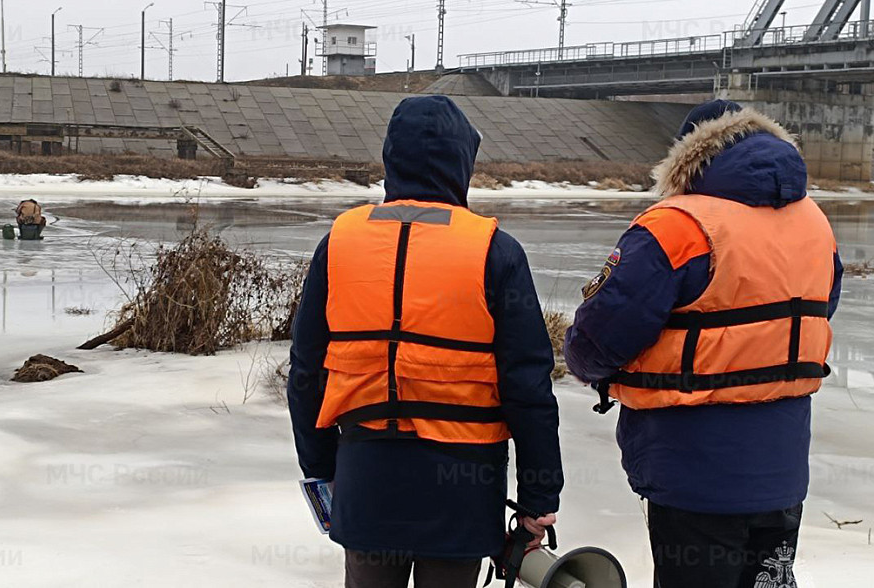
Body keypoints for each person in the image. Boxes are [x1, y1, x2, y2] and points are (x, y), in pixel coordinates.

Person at [564, 100, 844, 588]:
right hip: (782, 470)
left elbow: (600, 335)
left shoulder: (676, 226)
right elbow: (819, 311)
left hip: (692, 472)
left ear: (687, 154)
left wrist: (586, 367)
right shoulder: (815, 226)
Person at [287, 95, 563, 588]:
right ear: (464, 162)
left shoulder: (339, 242)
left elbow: (307, 370)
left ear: (391, 158)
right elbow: (528, 387)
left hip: (367, 477)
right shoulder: (495, 250)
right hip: (461, 490)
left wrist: (322, 468)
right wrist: (539, 498)